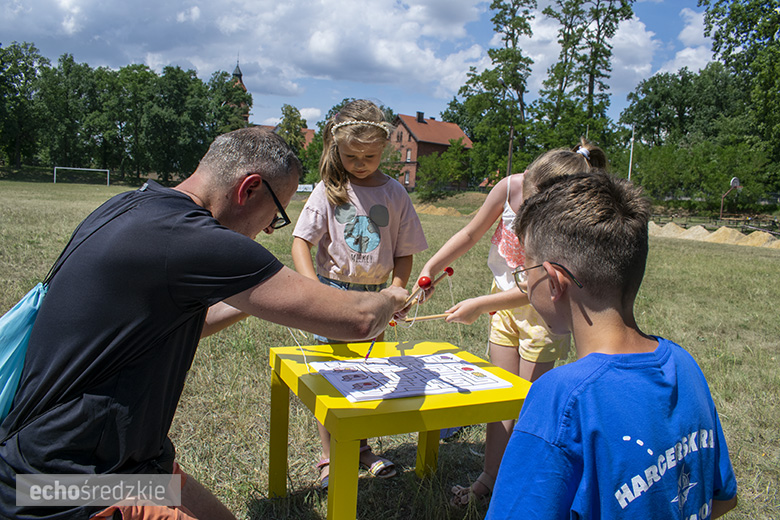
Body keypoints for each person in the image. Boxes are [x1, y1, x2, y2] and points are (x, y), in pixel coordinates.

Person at [0, 127, 408, 520]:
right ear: (249, 189)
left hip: (105, 464)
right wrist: (391, 296)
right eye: (276, 215)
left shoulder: (131, 207)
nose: (268, 229)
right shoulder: (199, 239)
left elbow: (178, 321)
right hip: (68, 487)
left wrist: (270, 298)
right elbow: (359, 322)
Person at [487, 171, 738, 518]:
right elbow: (721, 497)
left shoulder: (560, 399)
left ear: (554, 281)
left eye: (525, 268)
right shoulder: (685, 366)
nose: (524, 280)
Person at [415, 139, 607, 505]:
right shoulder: (509, 187)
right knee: (499, 399)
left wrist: (480, 304)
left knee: (526, 407)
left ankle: (516, 489)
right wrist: (430, 268)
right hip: (501, 303)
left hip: (544, 310)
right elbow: (470, 233)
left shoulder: (567, 214)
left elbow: (539, 287)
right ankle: (489, 478)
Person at [291, 99, 428, 489]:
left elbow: (404, 252)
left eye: (369, 155)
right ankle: (331, 457)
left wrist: (396, 291)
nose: (360, 162)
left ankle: (362, 448)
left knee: (368, 375)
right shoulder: (329, 189)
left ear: (384, 148)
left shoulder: (395, 194)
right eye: (351, 155)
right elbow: (301, 242)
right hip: (332, 294)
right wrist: (312, 290)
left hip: (375, 299)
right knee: (331, 376)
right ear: (337, 149)